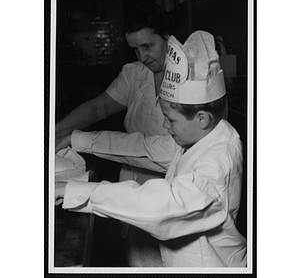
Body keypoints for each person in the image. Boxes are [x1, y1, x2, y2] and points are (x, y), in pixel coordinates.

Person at [56, 31, 247, 267]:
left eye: (171, 120)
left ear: (201, 118)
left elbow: (162, 203)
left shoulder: (218, 161)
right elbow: (144, 146)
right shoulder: (200, 138)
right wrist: (78, 139)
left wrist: (70, 190)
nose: (165, 126)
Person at [55, 2, 178, 266]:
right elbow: (99, 106)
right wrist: (57, 131)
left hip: (172, 190)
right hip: (132, 185)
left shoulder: (189, 78)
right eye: (134, 49)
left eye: (148, 46)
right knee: (141, 260)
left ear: (168, 36)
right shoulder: (135, 74)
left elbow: (164, 151)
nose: (142, 57)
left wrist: (78, 138)